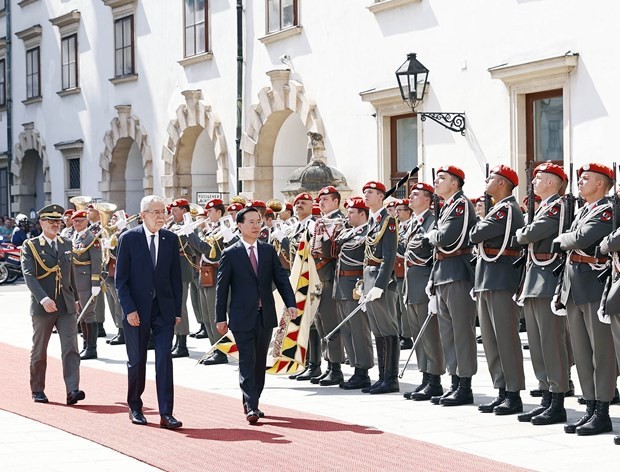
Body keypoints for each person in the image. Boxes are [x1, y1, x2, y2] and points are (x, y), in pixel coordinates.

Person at [215, 206, 297, 424]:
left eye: (258, 221)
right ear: (239, 226)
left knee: (260, 361)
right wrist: (220, 318)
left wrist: (290, 303)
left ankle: (254, 401)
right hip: (241, 316)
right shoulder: (230, 253)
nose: (255, 225)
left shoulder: (268, 250)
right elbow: (221, 289)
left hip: (264, 315)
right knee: (247, 360)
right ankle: (251, 405)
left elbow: (281, 278)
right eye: (250, 222)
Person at [553, 163, 616, 436]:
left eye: (586, 178)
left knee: (601, 353)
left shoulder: (606, 211)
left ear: (601, 184)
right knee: (581, 353)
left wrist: (564, 238)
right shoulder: (583, 211)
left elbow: (582, 238)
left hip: (593, 287)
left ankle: (602, 410)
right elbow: (573, 242)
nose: (580, 182)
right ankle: (590, 406)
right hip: (574, 287)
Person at [116, 195, 183, 429]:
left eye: (163, 211)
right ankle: (135, 406)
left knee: (164, 359)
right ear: (143, 215)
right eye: (156, 212)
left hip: (164, 311)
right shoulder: (129, 238)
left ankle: (167, 413)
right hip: (137, 310)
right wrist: (129, 309)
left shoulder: (171, 239)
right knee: (137, 360)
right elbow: (121, 280)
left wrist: (177, 310)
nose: (161, 216)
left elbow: (177, 279)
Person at [470, 165, 526, 415]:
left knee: (505, 339)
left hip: (501, 278)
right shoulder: (497, 209)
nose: (487, 180)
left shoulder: (507, 209)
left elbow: (476, 233)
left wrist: (480, 225)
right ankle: (501, 390)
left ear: (502, 183)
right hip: (487, 277)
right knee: (491, 341)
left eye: (492, 177)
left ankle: (513, 394)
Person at [21, 204, 85, 405]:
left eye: (58, 221)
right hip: (43, 306)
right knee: (39, 349)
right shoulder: (30, 246)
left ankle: (72, 390)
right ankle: (38, 389)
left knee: (71, 348)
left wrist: (75, 299)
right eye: (51, 221)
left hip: (65, 305)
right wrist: (43, 298)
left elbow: (70, 273)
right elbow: (29, 275)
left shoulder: (66, 243)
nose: (56, 225)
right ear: (41, 223)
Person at [427, 166, 478, 406]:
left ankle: (465, 384)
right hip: (443, 272)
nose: (437, 182)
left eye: (442, 178)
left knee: (461, 332)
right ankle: (455, 380)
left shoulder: (460, 204)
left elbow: (446, 238)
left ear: (455, 184)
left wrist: (432, 234)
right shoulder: (447, 206)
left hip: (458, 271)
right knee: (448, 333)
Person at [402, 183, 445, 401]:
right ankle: (425, 376)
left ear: (428, 200)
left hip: (424, 282)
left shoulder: (433, 221)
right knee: (417, 334)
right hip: (411, 284)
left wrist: (434, 285)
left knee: (429, 334)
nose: (411, 197)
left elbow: (434, 254)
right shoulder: (411, 223)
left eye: (416, 194)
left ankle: (435, 379)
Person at [360, 181, 400, 395]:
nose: (366, 195)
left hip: (381, 282)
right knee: (377, 329)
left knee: (387, 329)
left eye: (371, 193)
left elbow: (389, 256)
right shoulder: (373, 221)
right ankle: (382, 376)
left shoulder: (388, 220)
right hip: (370, 279)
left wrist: (379, 285)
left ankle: (391, 378)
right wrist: (363, 285)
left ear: (381, 197)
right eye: (365, 192)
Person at [334, 196, 374, 390]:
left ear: (362, 214)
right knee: (347, 330)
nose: (347, 215)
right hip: (341, 285)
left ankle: (363, 370)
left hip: (355, 285)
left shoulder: (368, 233)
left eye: (351, 212)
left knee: (359, 331)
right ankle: (355, 366)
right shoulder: (347, 233)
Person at [71, 209, 103, 360]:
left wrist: (95, 283)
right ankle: (85, 344)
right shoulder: (74, 237)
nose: (77, 223)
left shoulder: (91, 239)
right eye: (75, 221)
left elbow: (96, 263)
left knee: (88, 313)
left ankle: (92, 348)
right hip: (76, 281)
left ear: (86, 221)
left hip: (86, 281)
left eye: (80, 221)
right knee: (81, 314)